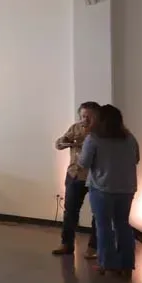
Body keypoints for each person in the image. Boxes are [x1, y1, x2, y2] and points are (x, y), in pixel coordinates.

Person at [79, 104, 140, 277]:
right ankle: (127, 264)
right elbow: (136, 159)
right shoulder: (130, 138)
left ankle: (106, 263)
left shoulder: (93, 138)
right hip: (126, 189)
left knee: (104, 226)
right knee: (123, 224)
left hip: (102, 189)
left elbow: (84, 163)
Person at [53, 101, 101, 258]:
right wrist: (65, 142)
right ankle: (66, 244)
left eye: (89, 117)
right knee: (70, 212)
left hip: (95, 177)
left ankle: (93, 248)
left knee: (98, 214)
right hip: (74, 175)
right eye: (83, 116)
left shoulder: (102, 131)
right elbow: (59, 144)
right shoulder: (75, 128)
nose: (85, 120)